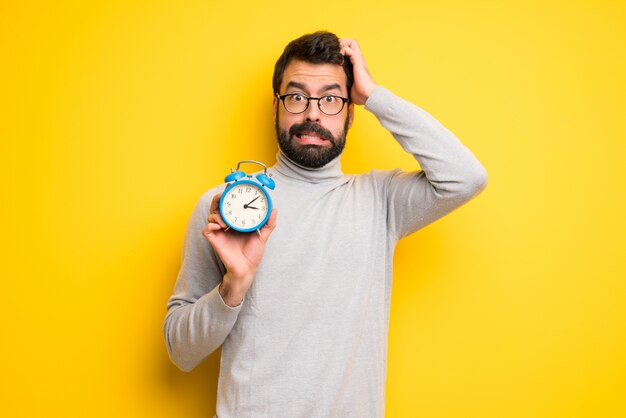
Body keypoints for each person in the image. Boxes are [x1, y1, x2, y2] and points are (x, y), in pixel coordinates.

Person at [163, 31, 488, 417]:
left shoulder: (380, 201)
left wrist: (375, 96)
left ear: (351, 112)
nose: (313, 114)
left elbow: (466, 177)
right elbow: (180, 352)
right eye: (297, 97)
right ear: (276, 108)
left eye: (331, 99)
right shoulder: (223, 209)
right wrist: (232, 288)